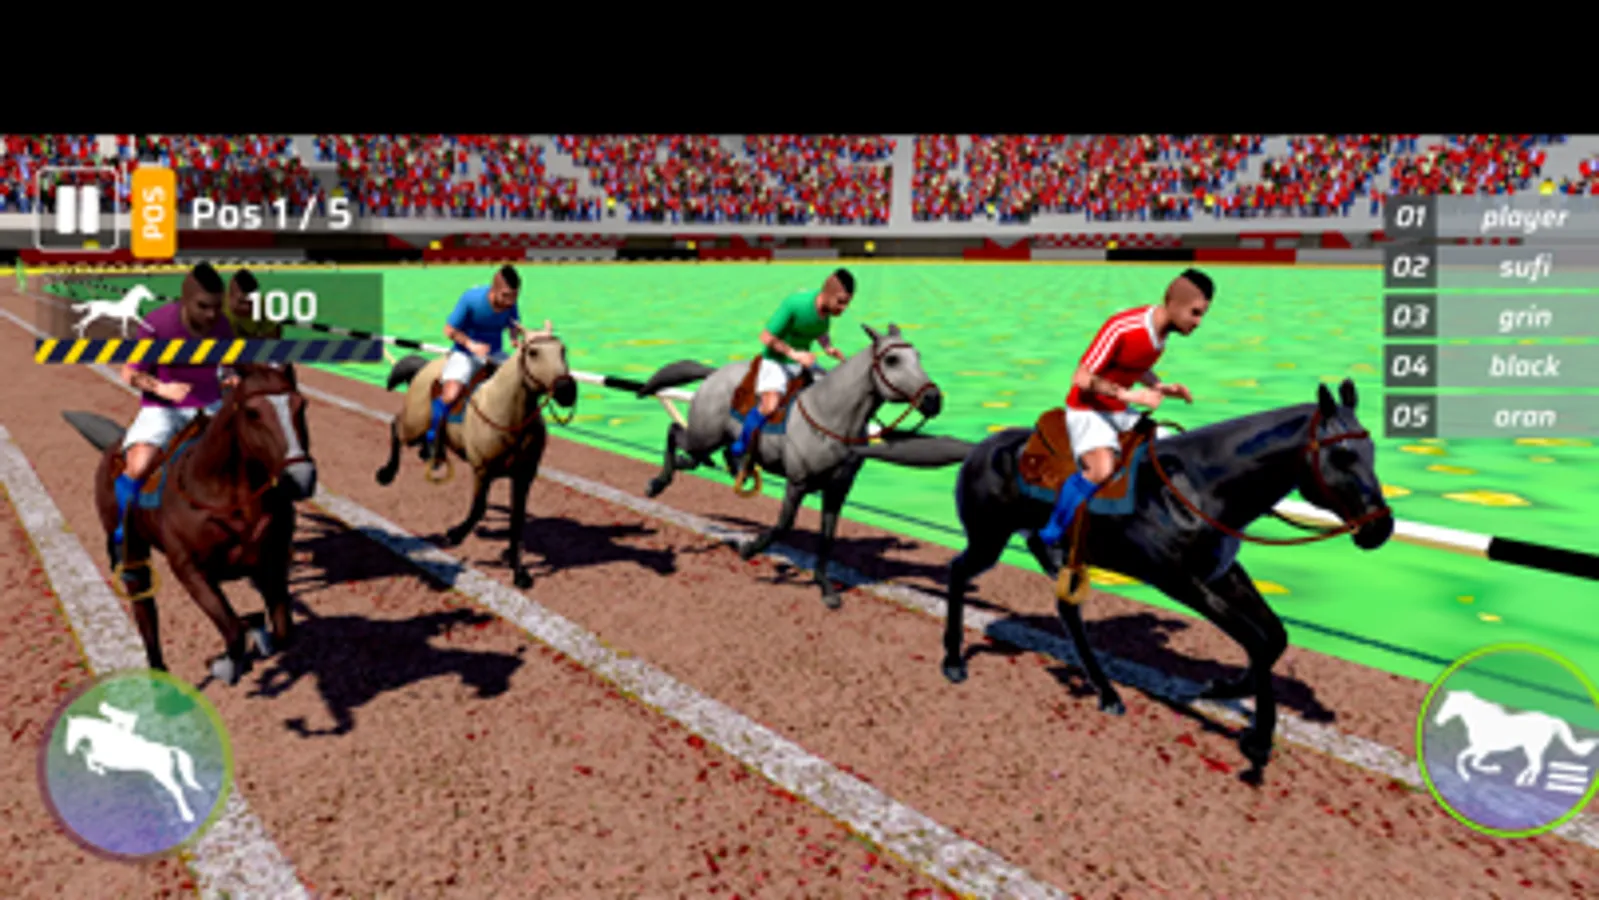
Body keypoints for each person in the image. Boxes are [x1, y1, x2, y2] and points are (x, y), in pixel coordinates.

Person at [1037, 268, 1213, 546]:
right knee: (1101, 469)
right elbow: (1081, 377)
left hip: (1118, 409)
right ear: (1174, 303)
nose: (1199, 322)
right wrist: (1131, 396)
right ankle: (1052, 532)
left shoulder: (1162, 334)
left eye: (1202, 315)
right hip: (1088, 409)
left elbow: (1135, 365)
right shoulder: (1123, 327)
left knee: (1170, 449)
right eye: (1195, 313)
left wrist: (1162, 387)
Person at [111, 262, 235, 560]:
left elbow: (228, 364)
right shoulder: (157, 324)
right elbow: (129, 372)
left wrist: (231, 376)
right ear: (185, 299)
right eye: (203, 306)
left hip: (211, 405)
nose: (211, 315)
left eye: (216, 307)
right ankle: (124, 527)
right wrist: (161, 388)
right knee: (140, 465)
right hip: (164, 408)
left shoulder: (223, 326)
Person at [729, 268, 853, 462]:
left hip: (802, 361)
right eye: (841, 302)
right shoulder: (795, 304)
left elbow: (820, 330)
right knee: (770, 406)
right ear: (828, 293)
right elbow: (766, 337)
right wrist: (794, 354)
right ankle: (742, 443)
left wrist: (828, 347)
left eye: (847, 303)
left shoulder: (827, 312)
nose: (843, 308)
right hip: (777, 361)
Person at [426, 265, 524, 463]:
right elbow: (448, 330)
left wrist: (515, 339)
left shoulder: (511, 304)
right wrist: (471, 345)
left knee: (518, 384)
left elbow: (513, 324)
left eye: (514, 296)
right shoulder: (471, 299)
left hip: (495, 353)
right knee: (451, 395)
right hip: (465, 353)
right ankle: (432, 436)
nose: (510, 302)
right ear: (494, 289)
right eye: (506, 296)